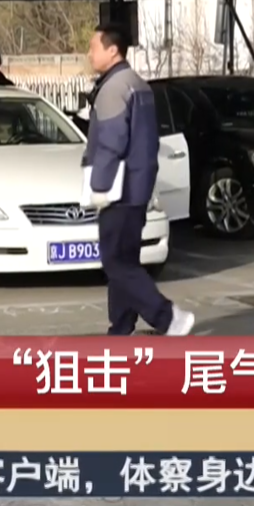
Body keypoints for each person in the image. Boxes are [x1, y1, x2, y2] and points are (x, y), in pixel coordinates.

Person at [82, 21, 195, 337]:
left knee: (116, 263)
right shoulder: (138, 84)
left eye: (93, 47)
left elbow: (112, 141)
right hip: (139, 186)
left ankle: (168, 317)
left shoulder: (113, 89)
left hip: (119, 190)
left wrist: (99, 186)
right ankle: (121, 327)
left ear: (112, 50)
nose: (89, 54)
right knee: (125, 261)